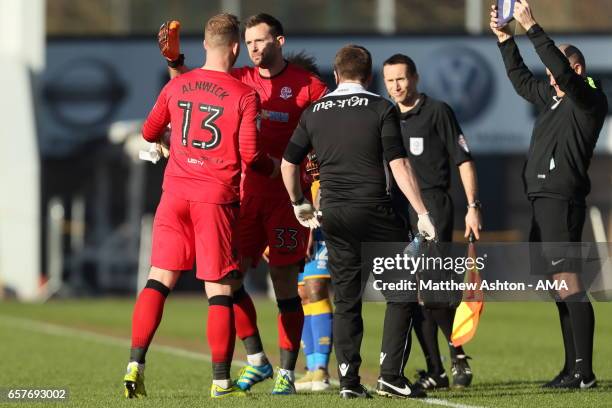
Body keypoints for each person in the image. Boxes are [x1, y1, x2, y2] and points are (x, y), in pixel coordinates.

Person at [160, 14, 328, 394]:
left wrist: (320, 165)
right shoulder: (239, 79)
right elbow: (193, 86)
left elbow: (330, 127)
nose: (252, 48)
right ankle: (257, 358)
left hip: (287, 200)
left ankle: (287, 371)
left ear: (279, 41)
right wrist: (174, 64)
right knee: (228, 279)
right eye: (248, 42)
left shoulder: (309, 87)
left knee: (286, 284)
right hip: (243, 196)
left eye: (260, 41)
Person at [124, 13, 277, 399]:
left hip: (174, 194)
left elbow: (147, 132)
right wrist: (273, 166)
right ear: (237, 49)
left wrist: (168, 142)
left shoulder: (179, 85)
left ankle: (134, 365)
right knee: (220, 290)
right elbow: (249, 154)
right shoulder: (245, 94)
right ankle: (222, 381)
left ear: (206, 45)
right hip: (215, 200)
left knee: (159, 279)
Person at [281, 44, 436, 399]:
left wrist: (298, 203)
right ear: (369, 76)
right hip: (376, 212)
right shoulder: (381, 108)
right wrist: (423, 213)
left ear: (335, 75)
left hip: (333, 215)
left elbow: (288, 164)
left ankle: (349, 382)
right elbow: (399, 164)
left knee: (347, 300)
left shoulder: (315, 111)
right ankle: (391, 375)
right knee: (401, 293)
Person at [490, 0, 608, 389]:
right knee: (557, 284)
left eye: (557, 73)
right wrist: (506, 40)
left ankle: (584, 372)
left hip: (562, 196)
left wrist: (533, 28)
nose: (551, 81)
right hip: (541, 198)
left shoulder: (588, 96)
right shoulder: (555, 96)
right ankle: (572, 367)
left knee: (569, 280)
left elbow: (563, 77)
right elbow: (523, 81)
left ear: (574, 69)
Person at [382, 53, 482, 389]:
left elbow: (463, 159)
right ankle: (437, 370)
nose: (396, 86)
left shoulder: (438, 111)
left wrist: (472, 205)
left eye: (401, 78)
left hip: (434, 208)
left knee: (432, 290)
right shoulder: (386, 116)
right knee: (412, 294)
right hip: (400, 213)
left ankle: (456, 353)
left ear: (415, 78)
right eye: (389, 80)